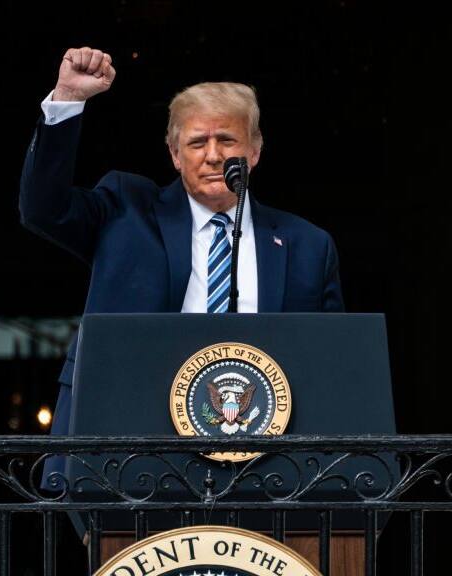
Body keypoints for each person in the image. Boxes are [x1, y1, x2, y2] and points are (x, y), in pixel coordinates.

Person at [20, 46, 344, 449]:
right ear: (174, 154)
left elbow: (332, 367)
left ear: (255, 151)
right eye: (196, 143)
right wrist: (68, 101)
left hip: (265, 454)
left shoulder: (307, 246)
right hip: (130, 442)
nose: (213, 156)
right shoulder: (125, 209)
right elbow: (42, 210)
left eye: (227, 139)